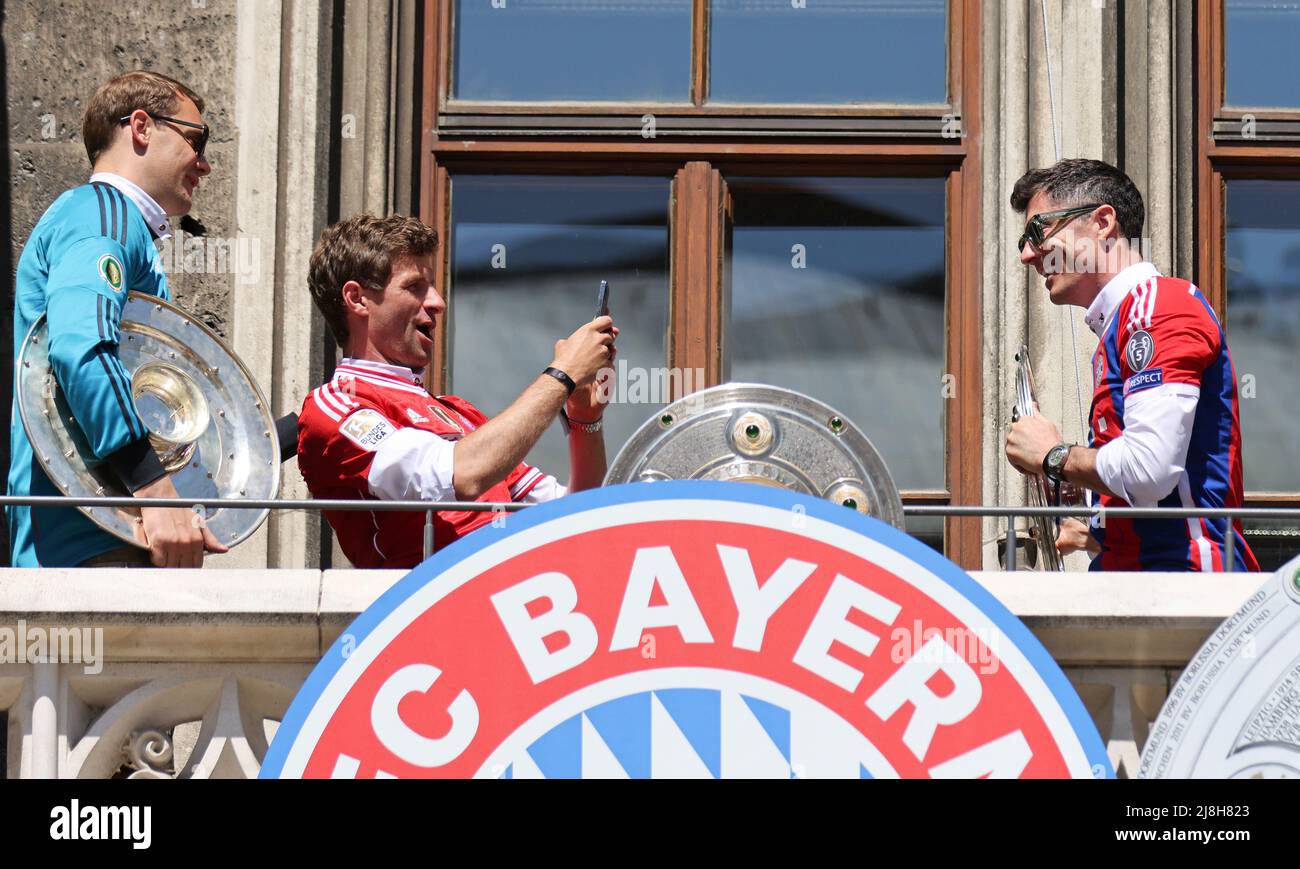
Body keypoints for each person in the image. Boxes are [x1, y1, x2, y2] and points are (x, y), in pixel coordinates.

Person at [297, 213, 617, 568]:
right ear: (357, 299)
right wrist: (563, 375)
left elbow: (577, 515)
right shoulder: (336, 405)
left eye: (432, 286)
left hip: (512, 600)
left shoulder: (459, 413)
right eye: (414, 286)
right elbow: (461, 475)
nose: (437, 302)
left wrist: (585, 420)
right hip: (432, 610)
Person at [6, 71, 227, 568]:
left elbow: (173, 429)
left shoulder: (116, 224)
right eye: (197, 140)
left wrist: (300, 429)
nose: (205, 164)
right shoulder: (102, 214)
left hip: (105, 542)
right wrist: (154, 489)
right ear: (142, 127)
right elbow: (81, 349)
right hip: (89, 552)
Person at [1004, 158, 1259, 572]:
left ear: (1103, 222)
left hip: (1184, 593)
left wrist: (1054, 457)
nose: (1028, 254)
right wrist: (1096, 533)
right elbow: (1163, 494)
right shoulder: (1126, 321)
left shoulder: (1156, 307)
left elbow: (1150, 469)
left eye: (1037, 231)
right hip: (1155, 586)